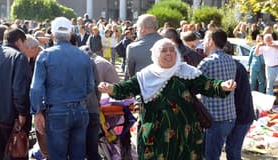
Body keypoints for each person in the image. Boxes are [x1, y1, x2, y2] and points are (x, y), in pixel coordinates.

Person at [98, 38, 237, 160]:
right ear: (156, 54)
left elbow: (207, 85)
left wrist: (223, 85)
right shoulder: (146, 76)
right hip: (156, 138)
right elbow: (125, 89)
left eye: (172, 50)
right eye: (164, 51)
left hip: (186, 137)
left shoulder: (186, 72)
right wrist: (110, 88)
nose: (169, 53)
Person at [30, 17, 95, 159]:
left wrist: (37, 111)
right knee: (78, 156)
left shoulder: (45, 55)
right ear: (71, 33)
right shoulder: (83, 55)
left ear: (52, 34)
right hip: (80, 109)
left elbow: (36, 88)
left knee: (57, 156)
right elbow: (90, 86)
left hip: (57, 111)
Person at [197, 28, 237, 160]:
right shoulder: (230, 60)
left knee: (210, 157)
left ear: (210, 41)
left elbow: (193, 84)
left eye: (205, 40)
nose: (203, 43)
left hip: (214, 119)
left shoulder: (207, 62)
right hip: (229, 117)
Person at [0, 28, 30, 160]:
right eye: (25, 43)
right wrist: (22, 113)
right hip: (9, 118)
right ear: (19, 41)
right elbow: (19, 89)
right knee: (15, 153)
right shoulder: (19, 57)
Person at [223, 41, 256, 160]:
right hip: (242, 115)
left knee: (232, 150)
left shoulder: (232, 68)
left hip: (241, 116)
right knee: (232, 149)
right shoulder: (236, 65)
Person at [125, 13, 162, 79]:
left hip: (141, 86)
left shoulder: (133, 47)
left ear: (143, 29)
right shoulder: (169, 43)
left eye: (137, 28)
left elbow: (131, 75)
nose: (136, 31)